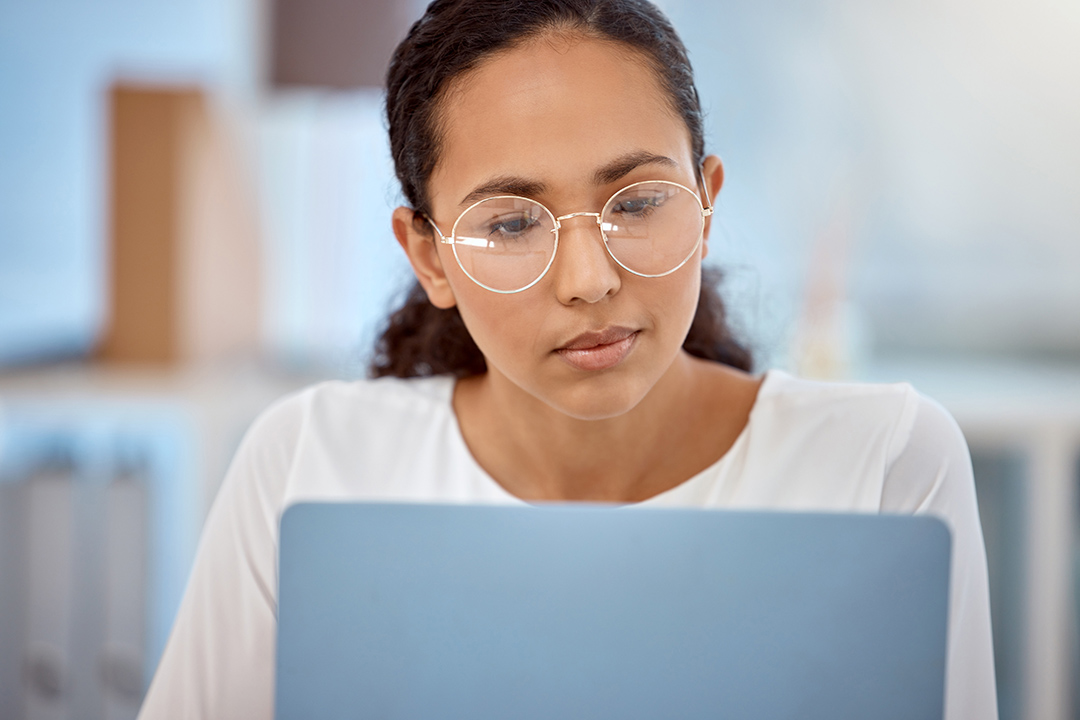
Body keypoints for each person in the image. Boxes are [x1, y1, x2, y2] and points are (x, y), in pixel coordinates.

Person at [137, 0, 997, 718]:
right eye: (511, 223)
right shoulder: (311, 466)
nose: (590, 280)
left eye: (637, 201)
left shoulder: (883, 465)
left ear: (705, 204)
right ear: (429, 256)